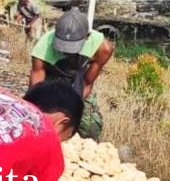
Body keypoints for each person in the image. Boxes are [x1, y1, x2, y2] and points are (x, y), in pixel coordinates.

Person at [29, 7, 113, 140]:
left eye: (71, 47)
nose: (67, 52)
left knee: (89, 127)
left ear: (87, 37)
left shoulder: (102, 49)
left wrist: (73, 108)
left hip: (79, 79)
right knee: (41, 121)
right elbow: (37, 89)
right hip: (52, 80)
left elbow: (87, 82)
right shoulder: (43, 48)